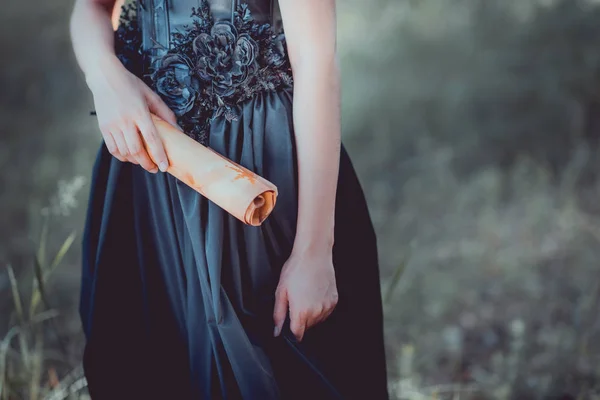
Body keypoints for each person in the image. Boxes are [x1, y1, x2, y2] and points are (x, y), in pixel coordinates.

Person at [69, 0, 388, 398]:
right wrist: (105, 76)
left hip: (253, 163)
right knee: (151, 361)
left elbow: (315, 60)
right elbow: (92, 8)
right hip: (146, 167)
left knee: (269, 366)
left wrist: (314, 251)